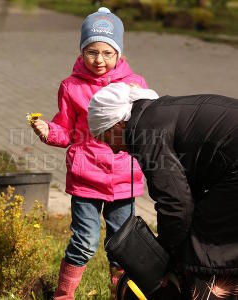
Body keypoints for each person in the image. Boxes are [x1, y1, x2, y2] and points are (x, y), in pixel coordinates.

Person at [31, 8, 148, 299]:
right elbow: (65, 129)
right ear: (82, 51)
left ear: (119, 54)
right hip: (86, 178)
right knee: (84, 241)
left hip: (124, 177)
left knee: (122, 245)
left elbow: (147, 124)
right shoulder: (71, 86)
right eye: (92, 52)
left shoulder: (134, 85)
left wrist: (140, 99)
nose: (99, 60)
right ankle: (63, 294)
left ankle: (121, 294)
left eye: (108, 53)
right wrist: (49, 131)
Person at [88, 82, 238, 299]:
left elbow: (176, 204)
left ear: (117, 124)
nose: (111, 148)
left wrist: (164, 257)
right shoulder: (155, 113)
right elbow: (186, 191)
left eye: (105, 138)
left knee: (203, 249)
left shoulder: (145, 133)